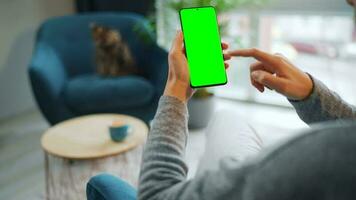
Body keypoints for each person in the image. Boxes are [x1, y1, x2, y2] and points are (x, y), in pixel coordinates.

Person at [138, 1, 356, 199]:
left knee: (104, 184)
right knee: (227, 118)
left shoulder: (325, 156)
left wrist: (176, 89)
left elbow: (155, 194)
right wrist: (312, 93)